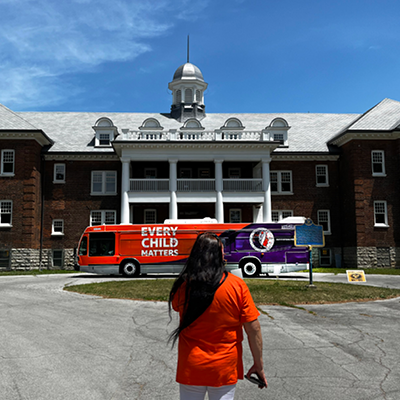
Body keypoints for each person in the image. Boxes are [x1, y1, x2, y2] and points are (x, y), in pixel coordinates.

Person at [168, 232, 268, 400]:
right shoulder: (237, 286)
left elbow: (177, 307)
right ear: (219, 255)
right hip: (224, 366)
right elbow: (253, 329)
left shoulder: (184, 287)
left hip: (191, 366)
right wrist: (258, 365)